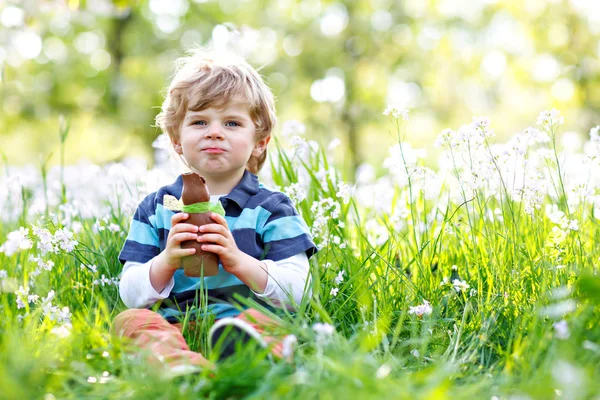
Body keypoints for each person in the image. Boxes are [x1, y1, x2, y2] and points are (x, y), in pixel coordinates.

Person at [111, 47, 317, 376]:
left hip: (245, 319)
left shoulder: (273, 208)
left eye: (232, 122)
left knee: (264, 323)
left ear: (260, 140)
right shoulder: (156, 209)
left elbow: (298, 292)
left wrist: (239, 262)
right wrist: (166, 261)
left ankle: (249, 354)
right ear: (177, 139)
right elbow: (130, 293)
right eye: (200, 121)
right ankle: (182, 368)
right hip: (174, 326)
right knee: (129, 321)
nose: (214, 132)